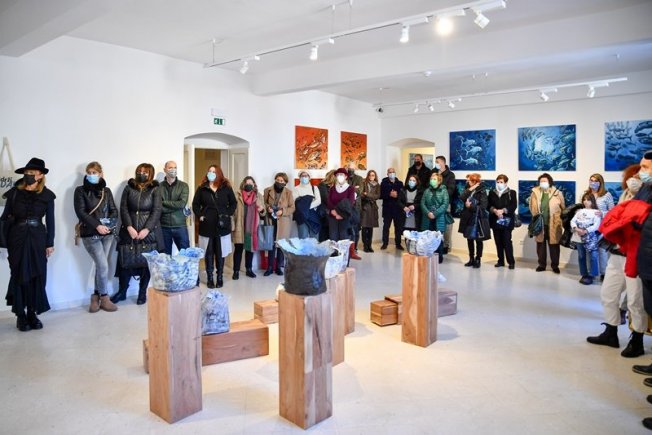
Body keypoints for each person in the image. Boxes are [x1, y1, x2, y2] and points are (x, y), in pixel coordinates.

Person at [587, 164, 647, 358]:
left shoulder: (647, 198)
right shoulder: (625, 195)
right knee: (608, 294)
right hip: (617, 252)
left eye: (640, 174)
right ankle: (610, 332)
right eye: (633, 175)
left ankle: (637, 340)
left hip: (636, 255)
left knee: (635, 301)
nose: (634, 179)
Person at [1, 157, 55, 331]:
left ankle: (32, 313)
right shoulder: (14, 193)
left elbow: (51, 222)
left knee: (37, 275)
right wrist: (2, 241)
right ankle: (20, 315)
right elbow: (4, 218)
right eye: (26, 172)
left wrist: (49, 243)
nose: (28, 175)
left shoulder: (47, 195)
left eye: (31, 173)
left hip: (38, 238)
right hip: (17, 238)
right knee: (18, 275)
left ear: (40, 175)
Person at [111, 163, 163, 305]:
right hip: (129, 231)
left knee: (146, 264)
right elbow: (123, 208)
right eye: (139, 171)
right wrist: (129, 227)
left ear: (150, 174)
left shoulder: (155, 189)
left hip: (149, 233)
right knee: (124, 262)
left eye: (145, 172)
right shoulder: (128, 188)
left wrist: (147, 229)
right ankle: (122, 292)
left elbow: (157, 210)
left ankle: (142, 293)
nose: (142, 174)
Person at [73, 161, 118, 313]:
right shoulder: (80, 191)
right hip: (90, 234)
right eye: (89, 173)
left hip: (107, 234)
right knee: (103, 266)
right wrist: (97, 225)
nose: (92, 175)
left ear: (100, 174)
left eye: (95, 172)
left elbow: (114, 210)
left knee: (101, 266)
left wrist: (109, 225)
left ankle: (95, 296)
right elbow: (81, 212)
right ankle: (104, 297)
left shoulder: (107, 191)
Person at [192, 165, 236, 288]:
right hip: (207, 224)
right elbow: (195, 204)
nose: (211, 173)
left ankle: (220, 277)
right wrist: (200, 215)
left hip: (222, 225)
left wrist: (227, 214)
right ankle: (210, 278)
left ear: (219, 174)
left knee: (220, 252)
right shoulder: (202, 188)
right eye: (209, 171)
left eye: (214, 171)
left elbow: (233, 203)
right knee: (209, 252)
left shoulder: (226, 187)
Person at [528, 173, 565, 273]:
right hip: (540, 223)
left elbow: (563, 208)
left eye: (545, 181)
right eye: (541, 181)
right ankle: (541, 265)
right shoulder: (534, 193)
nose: (542, 183)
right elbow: (531, 206)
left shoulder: (558, 193)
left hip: (554, 223)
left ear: (549, 182)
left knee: (554, 245)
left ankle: (555, 266)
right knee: (540, 245)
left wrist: (560, 221)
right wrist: (536, 216)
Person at [232, 176, 265, 279]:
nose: (249, 185)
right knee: (238, 249)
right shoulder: (237, 195)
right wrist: (232, 224)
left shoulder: (258, 196)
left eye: (251, 183)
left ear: (254, 185)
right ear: (244, 184)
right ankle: (236, 271)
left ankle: (249, 269)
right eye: (247, 183)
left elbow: (263, 213)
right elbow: (232, 211)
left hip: (251, 227)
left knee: (249, 249)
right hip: (240, 225)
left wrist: (262, 210)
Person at [263, 172, 294, 276]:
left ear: (285, 182)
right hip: (271, 220)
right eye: (278, 180)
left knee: (281, 245)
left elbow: (292, 207)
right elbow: (264, 203)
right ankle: (270, 267)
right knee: (271, 244)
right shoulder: (267, 190)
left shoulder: (289, 193)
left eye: (282, 181)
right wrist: (268, 207)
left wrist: (282, 211)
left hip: (283, 222)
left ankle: (278, 267)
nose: (279, 182)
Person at [585, 173, 615, 281]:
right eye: (591, 180)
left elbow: (612, 211)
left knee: (602, 252)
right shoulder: (586, 194)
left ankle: (604, 274)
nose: (593, 182)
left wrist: (602, 213)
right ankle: (591, 273)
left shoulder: (607, 195)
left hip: (602, 227)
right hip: (589, 227)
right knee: (590, 250)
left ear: (600, 182)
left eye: (595, 181)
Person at [458, 173, 490, 268]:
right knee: (469, 239)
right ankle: (471, 258)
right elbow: (462, 197)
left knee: (478, 240)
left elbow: (483, 206)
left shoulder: (482, 191)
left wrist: (471, 206)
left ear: (475, 181)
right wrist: (471, 188)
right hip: (467, 217)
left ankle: (478, 259)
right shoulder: (467, 189)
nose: (467, 182)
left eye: (469, 181)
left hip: (477, 219)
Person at [159, 160, 190, 255]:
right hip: (164, 226)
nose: (173, 170)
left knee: (185, 255)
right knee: (165, 256)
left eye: (175, 167)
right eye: (170, 167)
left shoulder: (184, 186)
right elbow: (158, 207)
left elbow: (182, 204)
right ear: (165, 170)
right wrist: (175, 206)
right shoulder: (158, 187)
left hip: (180, 225)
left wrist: (164, 202)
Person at [571, 192, 602, 285]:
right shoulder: (580, 211)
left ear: (592, 201)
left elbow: (596, 225)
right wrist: (576, 229)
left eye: (588, 200)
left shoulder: (596, 212)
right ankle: (584, 274)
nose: (586, 201)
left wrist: (585, 231)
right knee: (581, 256)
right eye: (584, 199)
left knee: (593, 256)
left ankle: (592, 275)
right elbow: (573, 221)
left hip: (591, 237)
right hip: (579, 237)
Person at [488, 174, 517, 269]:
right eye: (498, 182)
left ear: (506, 183)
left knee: (507, 241)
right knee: (498, 242)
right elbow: (488, 205)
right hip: (495, 219)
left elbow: (513, 205)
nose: (499, 184)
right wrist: (495, 210)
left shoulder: (512, 193)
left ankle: (511, 262)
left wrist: (503, 211)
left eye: (501, 182)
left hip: (506, 220)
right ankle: (500, 261)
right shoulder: (492, 192)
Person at [327, 168, 356, 257]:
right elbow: (329, 202)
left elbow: (350, 202)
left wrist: (340, 214)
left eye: (341, 175)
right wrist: (334, 212)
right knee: (333, 237)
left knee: (344, 238)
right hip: (333, 216)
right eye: (338, 175)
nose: (339, 176)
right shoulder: (332, 188)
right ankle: (334, 258)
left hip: (344, 217)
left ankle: (344, 259)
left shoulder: (350, 188)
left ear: (346, 176)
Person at [420, 172, 449, 263]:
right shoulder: (427, 191)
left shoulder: (444, 191)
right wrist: (428, 212)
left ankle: (439, 257)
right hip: (427, 217)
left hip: (439, 218)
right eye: (431, 179)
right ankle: (428, 256)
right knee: (427, 238)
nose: (432, 180)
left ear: (439, 181)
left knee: (438, 238)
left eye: (434, 179)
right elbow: (422, 203)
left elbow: (445, 204)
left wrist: (435, 214)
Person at [434, 156, 456, 254]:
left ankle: (446, 245)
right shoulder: (434, 172)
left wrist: (440, 196)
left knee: (446, 225)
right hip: (433, 203)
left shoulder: (450, 175)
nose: (436, 163)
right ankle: (436, 245)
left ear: (443, 162)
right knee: (435, 225)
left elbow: (451, 189)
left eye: (437, 162)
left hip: (445, 203)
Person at [380, 167, 405, 250]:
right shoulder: (383, 183)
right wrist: (389, 194)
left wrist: (397, 195)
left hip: (398, 209)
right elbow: (381, 195)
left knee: (398, 227)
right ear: (387, 174)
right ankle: (385, 243)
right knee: (386, 227)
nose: (391, 173)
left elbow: (403, 196)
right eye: (390, 172)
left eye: (393, 172)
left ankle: (398, 244)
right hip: (387, 209)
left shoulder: (400, 183)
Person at [293, 170, 321, 239]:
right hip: (301, 216)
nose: (304, 177)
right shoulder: (296, 189)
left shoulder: (314, 188)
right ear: (299, 178)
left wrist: (306, 207)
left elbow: (318, 201)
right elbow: (296, 202)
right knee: (303, 237)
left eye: (306, 176)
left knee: (314, 238)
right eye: (302, 176)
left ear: (309, 177)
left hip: (313, 216)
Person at [360, 170, 380, 252]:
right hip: (365, 207)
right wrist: (369, 196)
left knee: (370, 228)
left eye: (373, 175)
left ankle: (369, 245)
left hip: (372, 208)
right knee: (364, 227)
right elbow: (361, 195)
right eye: (370, 175)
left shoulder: (377, 185)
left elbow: (377, 196)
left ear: (375, 176)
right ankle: (365, 246)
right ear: (368, 176)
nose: (371, 176)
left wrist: (367, 194)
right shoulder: (364, 183)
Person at [347, 162, 364, 258]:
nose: (351, 170)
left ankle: (355, 248)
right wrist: (354, 188)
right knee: (347, 229)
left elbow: (360, 191)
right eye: (349, 168)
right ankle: (347, 249)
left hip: (356, 207)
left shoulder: (359, 179)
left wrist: (349, 189)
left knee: (356, 229)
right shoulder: (344, 177)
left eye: (352, 168)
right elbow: (343, 190)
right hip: (346, 207)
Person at [317, 170, 335, 242]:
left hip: (333, 214)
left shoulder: (337, 186)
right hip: (325, 214)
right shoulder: (322, 185)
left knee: (332, 235)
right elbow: (326, 199)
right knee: (324, 234)